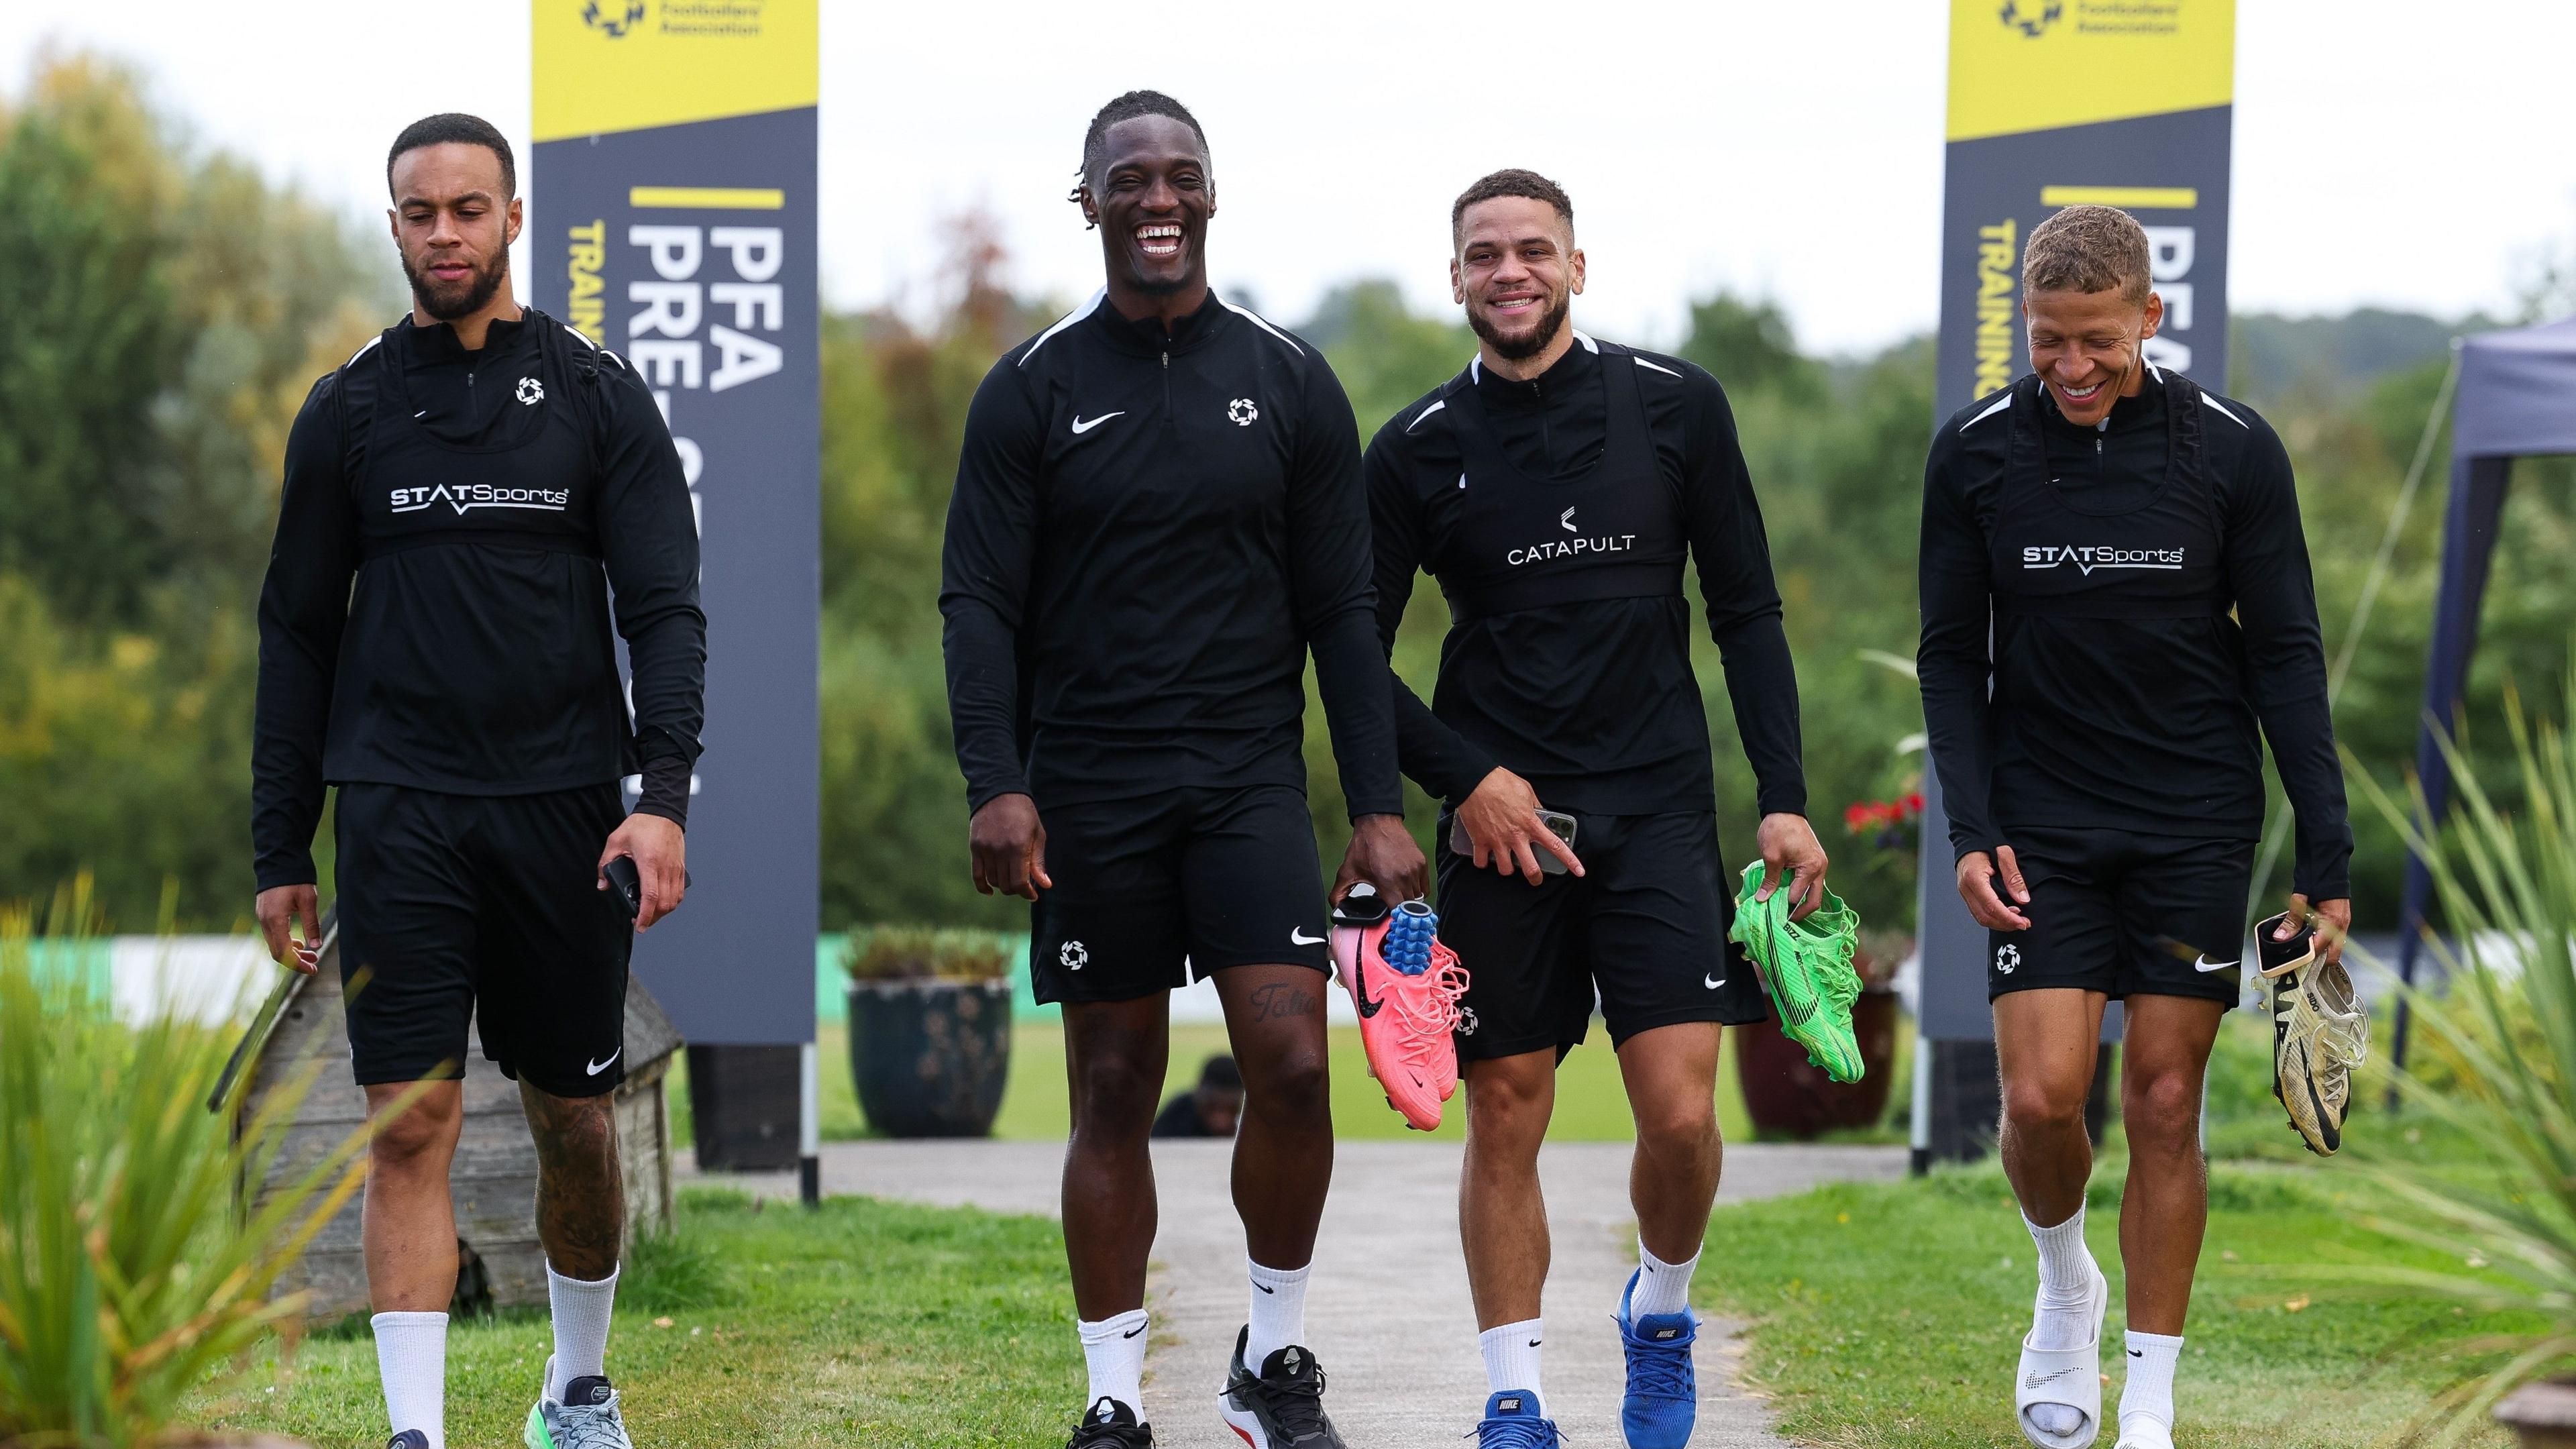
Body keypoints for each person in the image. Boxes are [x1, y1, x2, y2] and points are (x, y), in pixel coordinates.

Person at [938, 89, 1426, 1449]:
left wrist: (1378, 807)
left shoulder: (1288, 380)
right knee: (1110, 1088)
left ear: (1213, 196)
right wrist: (998, 780)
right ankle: (1110, 1395)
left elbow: (1345, 613)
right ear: (1086, 201)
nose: (1160, 198)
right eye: (1131, 179)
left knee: (1291, 1063)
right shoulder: (1032, 390)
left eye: (1183, 176)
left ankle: (1272, 1362)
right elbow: (975, 601)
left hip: (1246, 784)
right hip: (1088, 788)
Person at [251, 113, 704, 1449]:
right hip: (398, 810)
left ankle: (576, 1389)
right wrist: (282, 842)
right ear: (391, 223)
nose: (443, 232)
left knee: (573, 1119)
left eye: (467, 209)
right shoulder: (347, 409)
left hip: (567, 810)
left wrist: (661, 797)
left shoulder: (596, 394)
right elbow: (295, 635)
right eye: (418, 211)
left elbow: (667, 613)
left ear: (512, 216)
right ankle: (416, 1434)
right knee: (410, 1123)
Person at [1364, 168, 1828, 1449]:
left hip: (1659, 810)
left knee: (1681, 1114)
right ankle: (1514, 1396)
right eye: (1482, 256)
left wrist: (1781, 800)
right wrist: (1463, 779)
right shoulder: (1412, 449)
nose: (1508, 273)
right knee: (1504, 1107)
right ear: (1453, 276)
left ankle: (1661, 1312)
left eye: (1532, 251)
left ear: (1578, 266)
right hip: (1502, 832)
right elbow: (1347, 647)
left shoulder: (1679, 407)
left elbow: (1747, 613)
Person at [1916, 204, 2351, 1449]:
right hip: (2041, 824)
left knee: (2165, 1099)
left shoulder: (2232, 452)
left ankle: (2149, 1402)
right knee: (2046, 1099)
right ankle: (2065, 1288)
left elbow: (2287, 660)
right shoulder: (1977, 452)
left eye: (2096, 341)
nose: (2071, 367)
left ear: (2149, 320)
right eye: (2049, 341)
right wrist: (1972, 827)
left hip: (2192, 821)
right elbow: (1952, 659)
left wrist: (2328, 860)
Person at [1152, 1055, 1246, 1138]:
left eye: (1232, 1110)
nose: (1221, 1122)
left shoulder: (1248, 1123)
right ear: (1198, 1093)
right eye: (1212, 1107)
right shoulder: (1176, 1116)